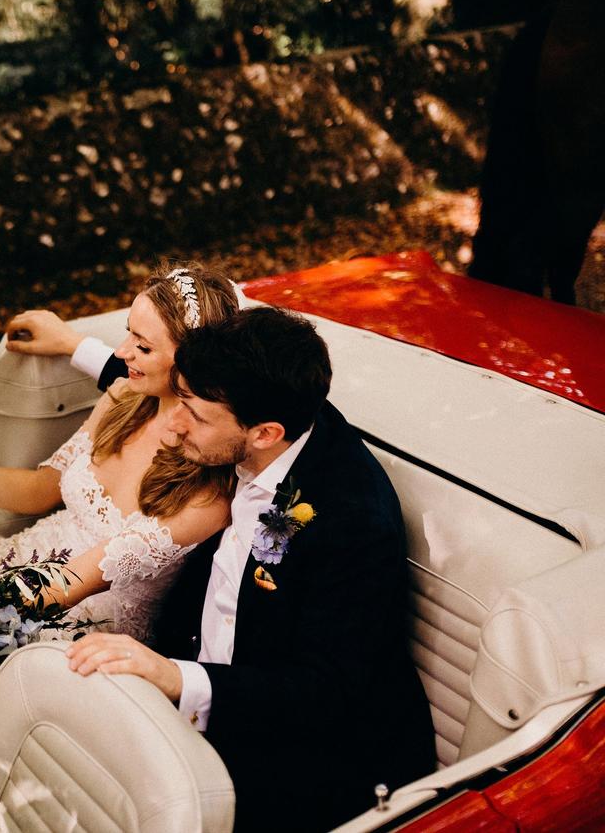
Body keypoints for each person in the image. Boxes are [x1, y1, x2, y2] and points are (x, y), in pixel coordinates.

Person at [64, 306, 436, 832]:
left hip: (305, 758)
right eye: (181, 400)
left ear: (264, 434)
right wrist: (71, 343)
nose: (173, 424)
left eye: (192, 413)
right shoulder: (262, 410)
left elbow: (326, 692)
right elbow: (145, 379)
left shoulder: (351, 521)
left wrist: (175, 678)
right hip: (194, 689)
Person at [0, 265, 239, 642]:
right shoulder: (124, 397)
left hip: (77, 622)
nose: (123, 353)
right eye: (128, 332)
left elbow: (78, 580)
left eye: (143, 347)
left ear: (193, 362)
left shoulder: (210, 481)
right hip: (22, 559)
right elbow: (43, 489)